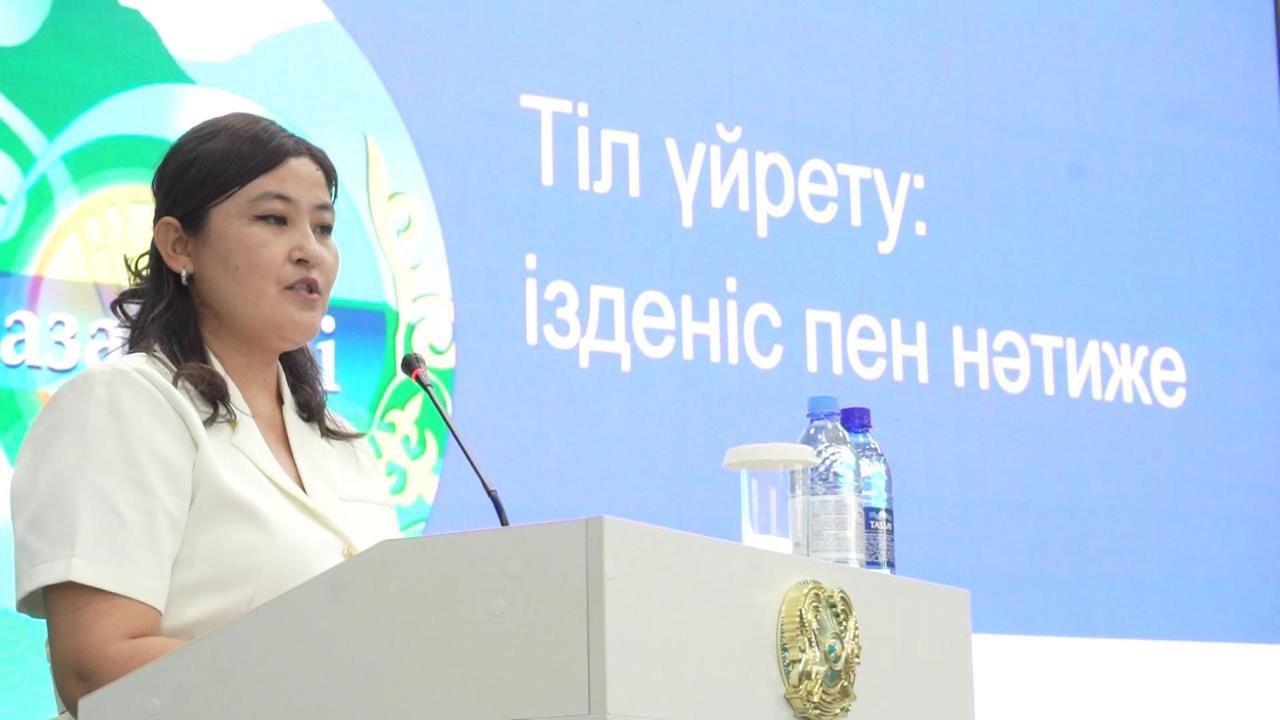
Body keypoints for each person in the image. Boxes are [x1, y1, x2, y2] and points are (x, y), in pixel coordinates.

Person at [10, 113, 400, 716]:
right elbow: (96, 665)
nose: (310, 250)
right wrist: (321, 686)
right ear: (179, 245)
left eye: (324, 228)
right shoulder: (123, 405)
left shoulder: (346, 446)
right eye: (274, 219)